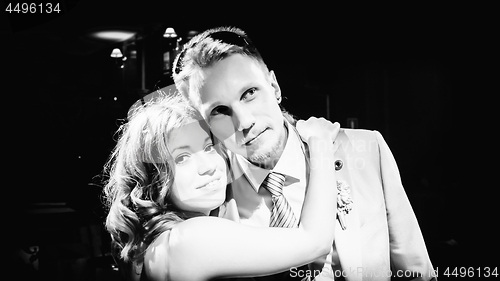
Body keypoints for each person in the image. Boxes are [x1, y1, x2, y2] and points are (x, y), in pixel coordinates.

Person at [172, 26, 436, 281]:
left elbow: (416, 273)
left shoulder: (366, 150)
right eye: (219, 110)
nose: (244, 122)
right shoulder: (208, 193)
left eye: (249, 93)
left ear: (274, 87)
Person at [102, 92, 341, 281]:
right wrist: (320, 143)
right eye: (182, 158)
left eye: (208, 147)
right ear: (153, 178)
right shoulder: (189, 240)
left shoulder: (156, 242)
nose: (208, 166)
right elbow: (315, 242)